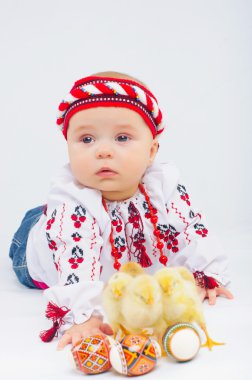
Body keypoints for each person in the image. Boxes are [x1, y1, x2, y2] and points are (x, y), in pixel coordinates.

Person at [9, 71, 233, 350]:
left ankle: (45, 214)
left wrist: (204, 273)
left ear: (151, 151)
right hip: (33, 249)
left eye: (122, 137)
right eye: (87, 140)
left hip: (76, 225)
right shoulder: (74, 209)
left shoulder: (161, 186)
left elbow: (190, 227)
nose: (103, 151)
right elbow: (73, 261)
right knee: (54, 233)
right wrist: (83, 316)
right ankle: (41, 221)